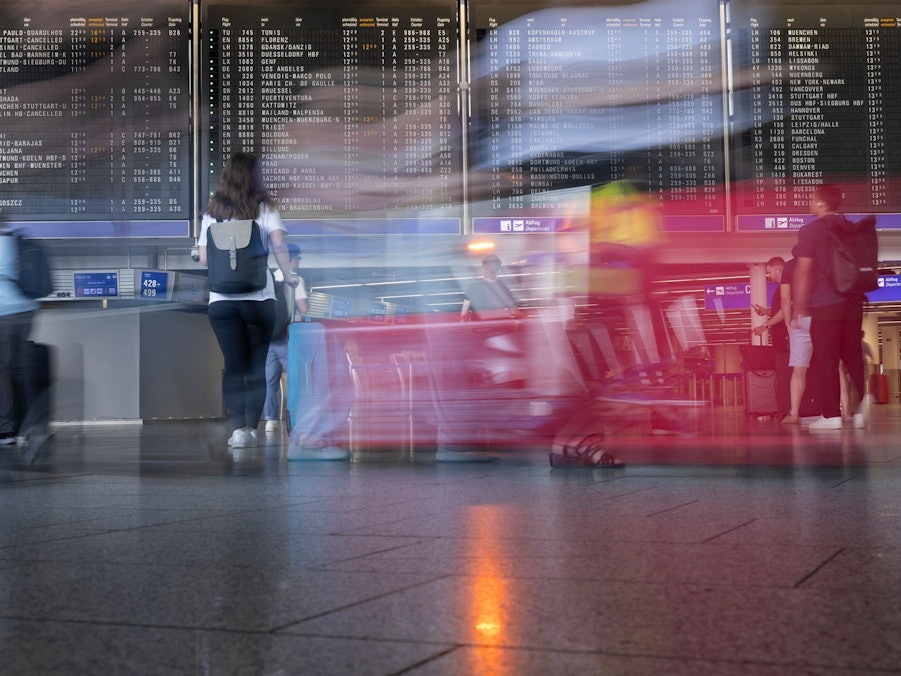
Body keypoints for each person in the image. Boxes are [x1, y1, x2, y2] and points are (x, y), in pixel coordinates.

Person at [198, 152, 299, 449]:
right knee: (256, 366)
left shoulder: (212, 212)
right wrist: (288, 275)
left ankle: (237, 430)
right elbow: (279, 245)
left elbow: (204, 259)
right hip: (259, 299)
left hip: (221, 301)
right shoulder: (265, 208)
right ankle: (252, 430)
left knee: (233, 365)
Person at [792, 184, 868, 431]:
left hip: (825, 303)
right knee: (853, 355)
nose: (810, 202)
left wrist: (800, 306)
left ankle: (831, 414)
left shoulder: (811, 231)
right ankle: (861, 409)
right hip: (853, 301)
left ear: (822, 203)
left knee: (826, 359)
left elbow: (803, 270)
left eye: (812, 198)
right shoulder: (850, 226)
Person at [262, 244, 309, 433]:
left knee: (269, 383)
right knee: (295, 378)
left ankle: (270, 420)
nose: (298, 262)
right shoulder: (296, 280)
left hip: (268, 339)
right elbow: (303, 308)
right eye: (297, 259)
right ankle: (296, 416)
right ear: (292, 259)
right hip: (287, 338)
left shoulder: (268, 278)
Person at [0, 229, 40, 447]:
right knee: (21, 370)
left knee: (2, 372)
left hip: (3, 314)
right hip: (26, 311)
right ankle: (31, 425)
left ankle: (6, 430)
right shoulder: (16, 243)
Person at [752, 256, 790, 419]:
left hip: (785, 339)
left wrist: (765, 325)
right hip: (781, 340)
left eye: (769, 272)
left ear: (777, 269)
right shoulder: (780, 288)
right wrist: (767, 312)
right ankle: (785, 409)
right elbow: (780, 311)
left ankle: (787, 409)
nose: (768, 275)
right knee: (782, 375)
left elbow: (785, 312)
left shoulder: (785, 287)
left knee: (785, 375)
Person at [459, 254, 519, 322]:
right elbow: (514, 311)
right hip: (495, 328)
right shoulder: (503, 287)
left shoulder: (473, 287)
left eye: (494, 267)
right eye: (490, 267)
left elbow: (463, 313)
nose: (492, 270)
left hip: (483, 328)